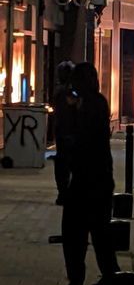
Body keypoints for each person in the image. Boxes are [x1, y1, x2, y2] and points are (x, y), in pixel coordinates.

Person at [61, 63, 120, 285]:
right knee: (100, 232)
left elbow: (76, 138)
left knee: (74, 233)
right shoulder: (99, 102)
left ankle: (77, 280)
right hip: (102, 178)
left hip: (85, 179)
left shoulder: (86, 105)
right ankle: (109, 275)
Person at [53, 61, 76, 206]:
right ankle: (66, 193)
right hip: (71, 132)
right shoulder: (71, 92)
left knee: (62, 163)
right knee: (69, 163)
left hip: (63, 132)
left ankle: (63, 193)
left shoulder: (60, 91)